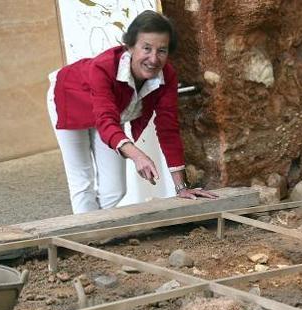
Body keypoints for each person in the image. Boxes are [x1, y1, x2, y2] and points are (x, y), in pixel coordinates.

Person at [47, 10, 217, 214]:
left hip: (111, 112)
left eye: (161, 50)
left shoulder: (167, 76)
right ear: (129, 47)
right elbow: (105, 120)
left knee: (114, 190)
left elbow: (168, 129)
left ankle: (95, 226)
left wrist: (181, 188)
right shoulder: (103, 67)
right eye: (146, 48)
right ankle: (90, 237)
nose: (153, 59)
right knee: (83, 182)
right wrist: (137, 154)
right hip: (70, 100)